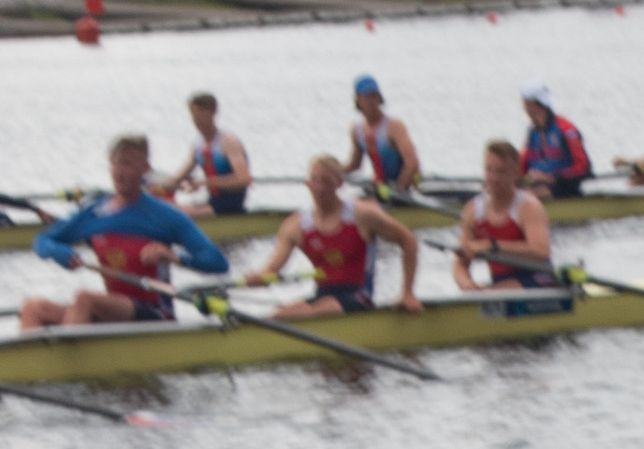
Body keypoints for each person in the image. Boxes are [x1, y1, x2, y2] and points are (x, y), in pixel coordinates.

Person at [17, 136, 228, 332]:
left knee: (84, 298)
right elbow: (42, 240)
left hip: (154, 312)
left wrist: (175, 257)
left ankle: (64, 368)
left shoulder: (166, 216)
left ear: (144, 169)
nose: (119, 171)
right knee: (33, 307)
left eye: (127, 164)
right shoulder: (94, 213)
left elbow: (218, 262)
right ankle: (25, 369)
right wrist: (58, 251)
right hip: (110, 310)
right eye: (115, 163)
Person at [237, 153, 422, 317]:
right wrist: (256, 278)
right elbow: (271, 270)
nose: (320, 188)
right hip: (322, 296)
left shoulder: (362, 215)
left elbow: (408, 240)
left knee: (311, 312)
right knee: (276, 316)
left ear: (339, 184)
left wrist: (407, 293)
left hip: (358, 296)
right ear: (307, 184)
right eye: (315, 181)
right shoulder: (295, 225)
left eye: (326, 181)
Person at [452, 137, 566, 298]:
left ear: (515, 173)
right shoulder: (472, 210)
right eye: (489, 170)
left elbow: (541, 252)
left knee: (491, 294)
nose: (493, 177)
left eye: (500, 171)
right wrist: (467, 285)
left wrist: (491, 246)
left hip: (538, 279)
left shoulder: (528, 207)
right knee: (481, 293)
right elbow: (460, 262)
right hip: (501, 283)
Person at [155, 92, 253, 223]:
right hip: (212, 203)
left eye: (202, 113)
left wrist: (204, 182)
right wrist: (154, 189)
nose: (197, 119)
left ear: (213, 112)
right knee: (159, 208)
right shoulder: (198, 144)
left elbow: (244, 179)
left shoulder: (229, 142)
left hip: (230, 208)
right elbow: (178, 178)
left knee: (169, 212)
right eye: (194, 114)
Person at [348, 75, 423, 201]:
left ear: (380, 98)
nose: (372, 101)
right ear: (358, 100)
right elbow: (354, 165)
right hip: (381, 188)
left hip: (406, 188)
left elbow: (412, 163)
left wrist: (398, 190)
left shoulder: (394, 127)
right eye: (367, 96)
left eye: (374, 95)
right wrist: (332, 170)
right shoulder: (357, 130)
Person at [518, 87, 592, 195]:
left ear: (534, 105)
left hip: (565, 187)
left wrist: (551, 178)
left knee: (525, 195)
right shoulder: (532, 132)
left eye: (525, 104)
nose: (524, 108)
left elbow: (583, 167)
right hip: (538, 187)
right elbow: (522, 167)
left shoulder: (565, 128)